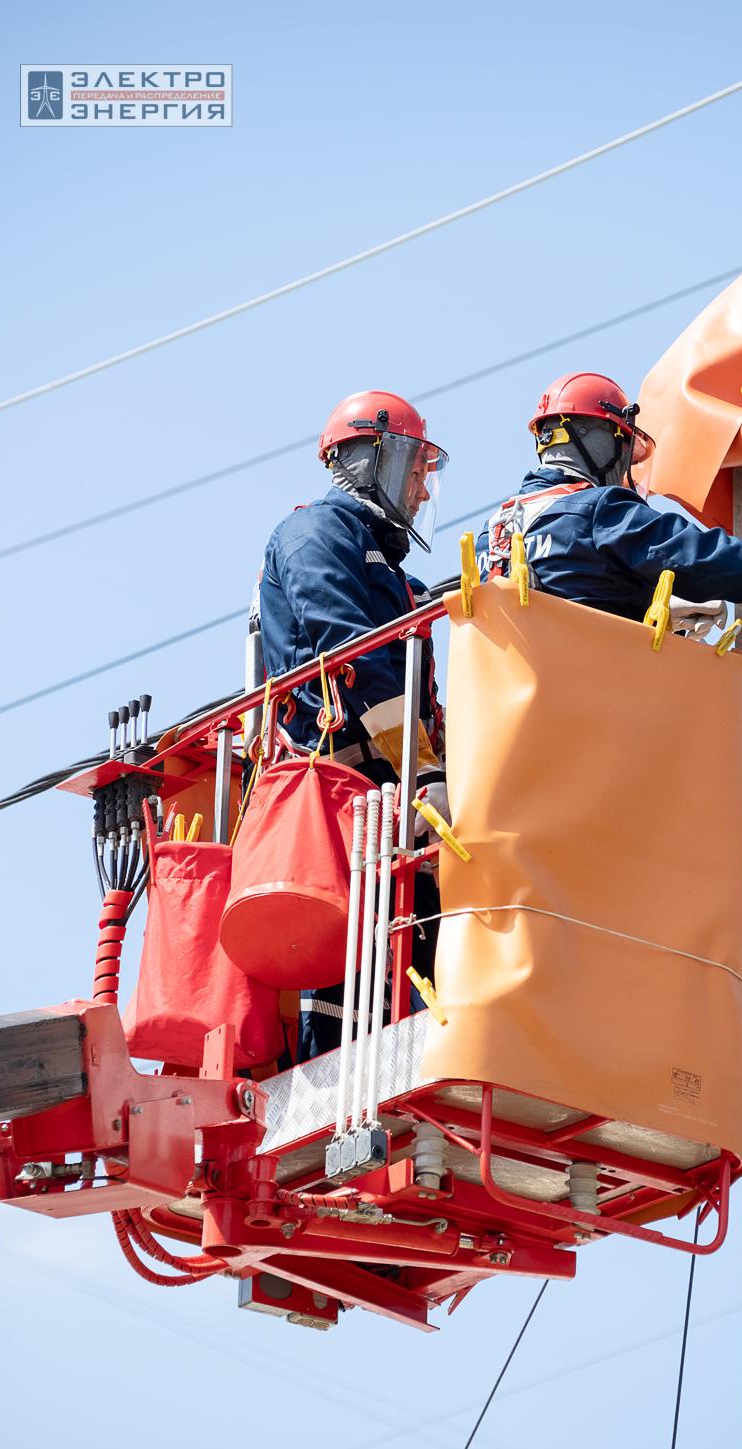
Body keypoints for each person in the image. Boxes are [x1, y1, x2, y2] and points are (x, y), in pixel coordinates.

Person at [257, 390, 449, 1059]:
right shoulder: (316, 534)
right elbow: (349, 646)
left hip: (387, 778)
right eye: (417, 470)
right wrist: (422, 767)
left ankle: (408, 1055)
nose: (423, 492)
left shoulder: (388, 569)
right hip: (344, 777)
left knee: (408, 933)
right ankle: (334, 1074)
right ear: (373, 459)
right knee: (350, 943)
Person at [476, 371, 742, 619]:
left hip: (518, 689)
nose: (626, 464)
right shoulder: (598, 509)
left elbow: (571, 594)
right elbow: (690, 554)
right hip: (595, 685)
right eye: (624, 447)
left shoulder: (492, 533)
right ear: (597, 439)